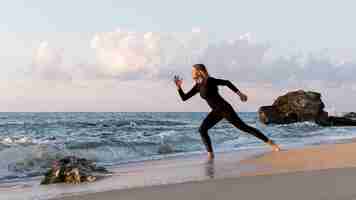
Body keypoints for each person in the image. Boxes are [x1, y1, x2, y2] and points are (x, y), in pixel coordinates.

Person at [174, 64, 280, 160]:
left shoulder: (209, 80)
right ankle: (210, 154)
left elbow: (227, 83)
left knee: (244, 127)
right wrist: (179, 87)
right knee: (202, 130)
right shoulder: (197, 86)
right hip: (216, 111)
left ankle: (271, 143)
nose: (191, 73)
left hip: (225, 109)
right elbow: (184, 97)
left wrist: (240, 94)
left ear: (199, 71)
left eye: (193, 71)